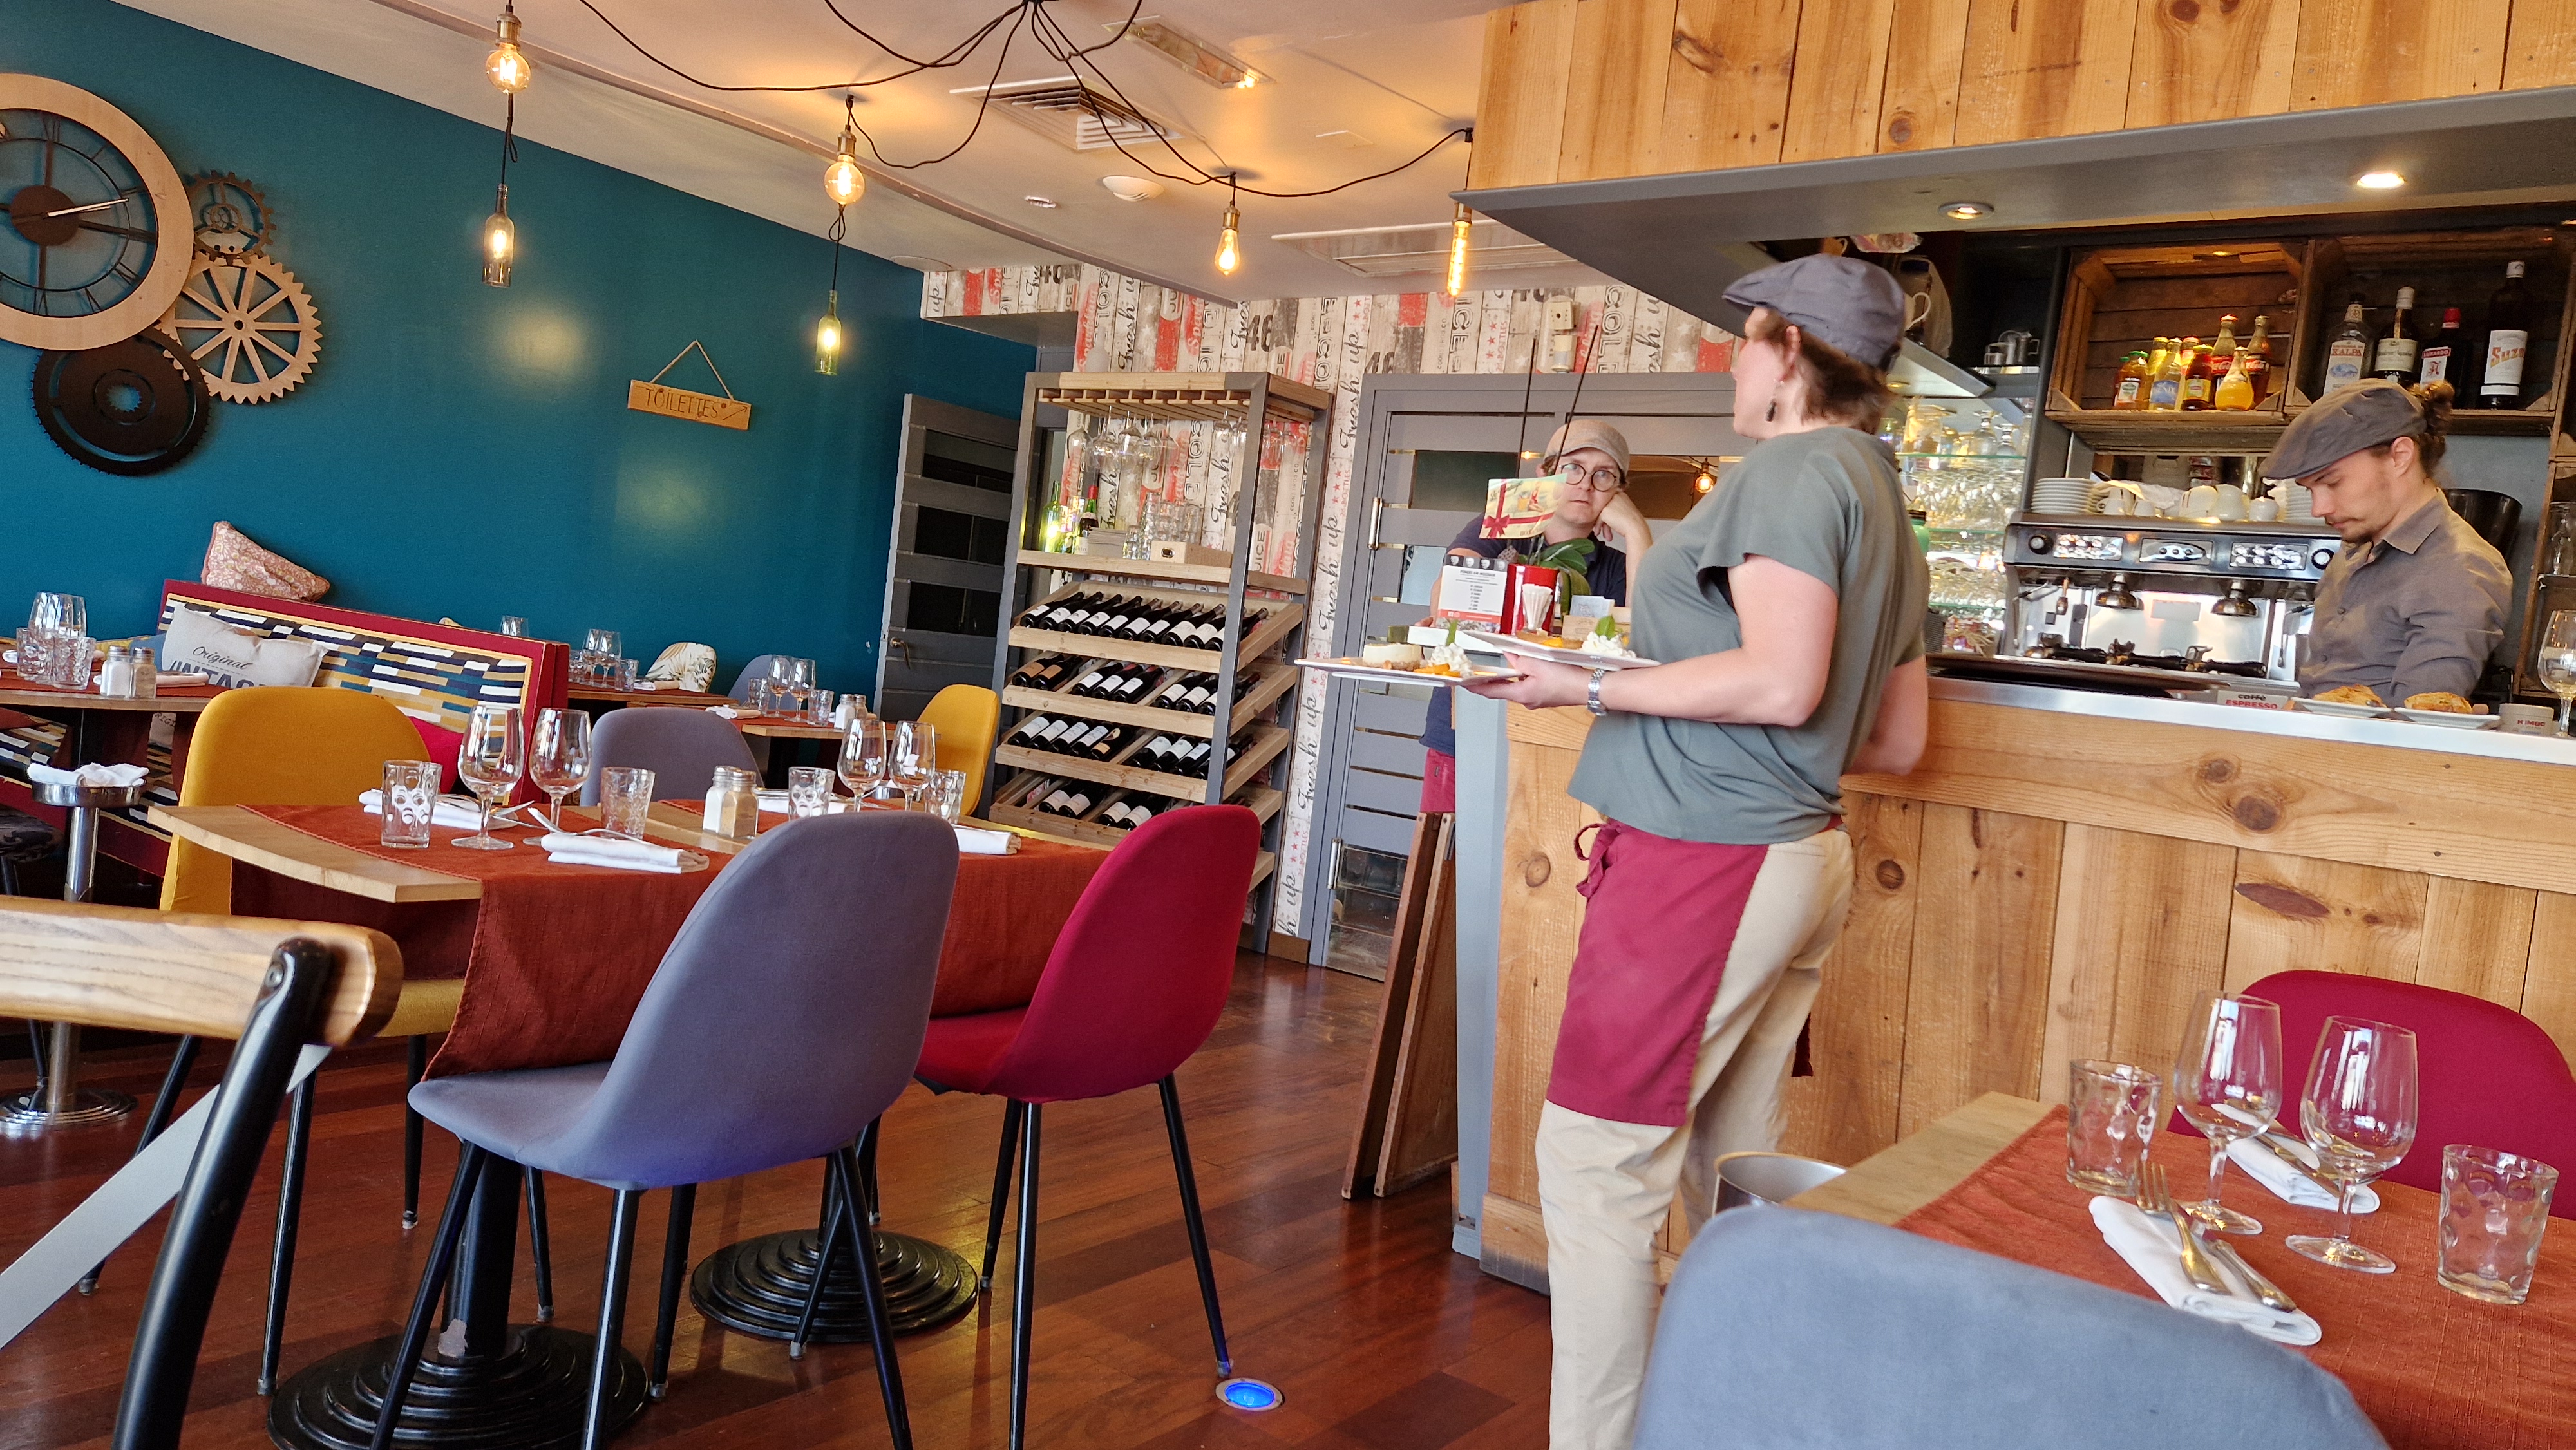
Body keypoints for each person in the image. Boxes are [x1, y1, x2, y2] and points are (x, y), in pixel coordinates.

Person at [1463, 253, 1931, 1450]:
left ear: (1789, 353)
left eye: (1744, 341)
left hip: (1708, 857)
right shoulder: (1882, 494)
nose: (1733, 365)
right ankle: (1738, 1417)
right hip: (1795, 855)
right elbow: (1897, 738)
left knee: (1597, 1163)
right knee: (1733, 1170)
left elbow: (1780, 682)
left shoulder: (1793, 469)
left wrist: (1586, 685)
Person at [1418, 419, 1649, 813]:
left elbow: (1645, 638)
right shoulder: (1500, 530)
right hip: (1466, 730)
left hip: (1564, 742)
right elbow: (1446, 599)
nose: (1585, 485)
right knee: (1450, 848)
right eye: (1572, 468)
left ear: (1619, 491)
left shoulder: (1617, 568)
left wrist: (1637, 529)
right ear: (1545, 473)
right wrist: (1522, 504)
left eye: (1604, 475)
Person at [2276, 379, 2508, 703]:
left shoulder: (2460, 568)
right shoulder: (2357, 545)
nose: (2319, 509)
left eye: (2333, 483)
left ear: (2400, 456)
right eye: (2310, 490)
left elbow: (2419, 719)